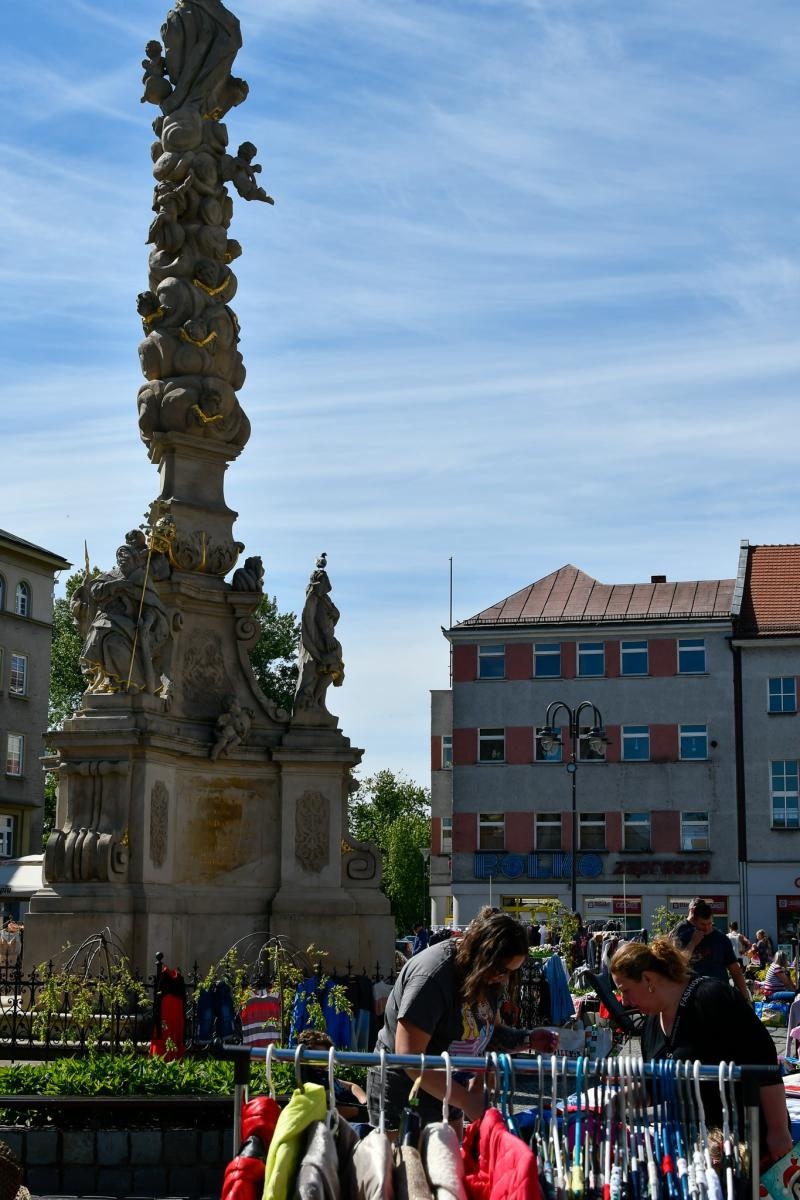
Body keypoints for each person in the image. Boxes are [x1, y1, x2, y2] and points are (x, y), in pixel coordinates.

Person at [367, 907, 559, 1131]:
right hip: (405, 1092)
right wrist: (468, 1100)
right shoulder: (432, 977)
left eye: (511, 972)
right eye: (503, 970)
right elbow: (409, 1058)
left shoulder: (488, 977)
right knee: (404, 1163)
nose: (505, 978)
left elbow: (491, 1033)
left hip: (449, 1088)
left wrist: (528, 1040)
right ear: (484, 955)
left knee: (454, 1162)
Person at [611, 938, 792, 1166]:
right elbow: (655, 1085)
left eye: (625, 991)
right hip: (701, 1152)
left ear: (648, 979)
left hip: (747, 1143)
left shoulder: (712, 997)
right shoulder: (651, 1025)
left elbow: (763, 1063)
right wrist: (619, 1099)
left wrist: (778, 1130)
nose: (624, 1002)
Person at [670, 898, 750, 1003]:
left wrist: (746, 999)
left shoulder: (721, 938)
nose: (707, 928)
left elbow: (735, 971)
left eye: (710, 924)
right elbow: (677, 965)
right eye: (703, 924)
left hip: (720, 995)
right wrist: (692, 943)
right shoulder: (683, 934)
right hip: (694, 999)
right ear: (694, 921)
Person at [296, 1029, 367, 1112]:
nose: (325, 1060)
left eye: (326, 1056)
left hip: (360, 1108)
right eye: (319, 1056)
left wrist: (364, 1101)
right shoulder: (314, 1080)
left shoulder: (325, 1075)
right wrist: (357, 1111)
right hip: (349, 1119)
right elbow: (326, 1110)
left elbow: (352, 1086)